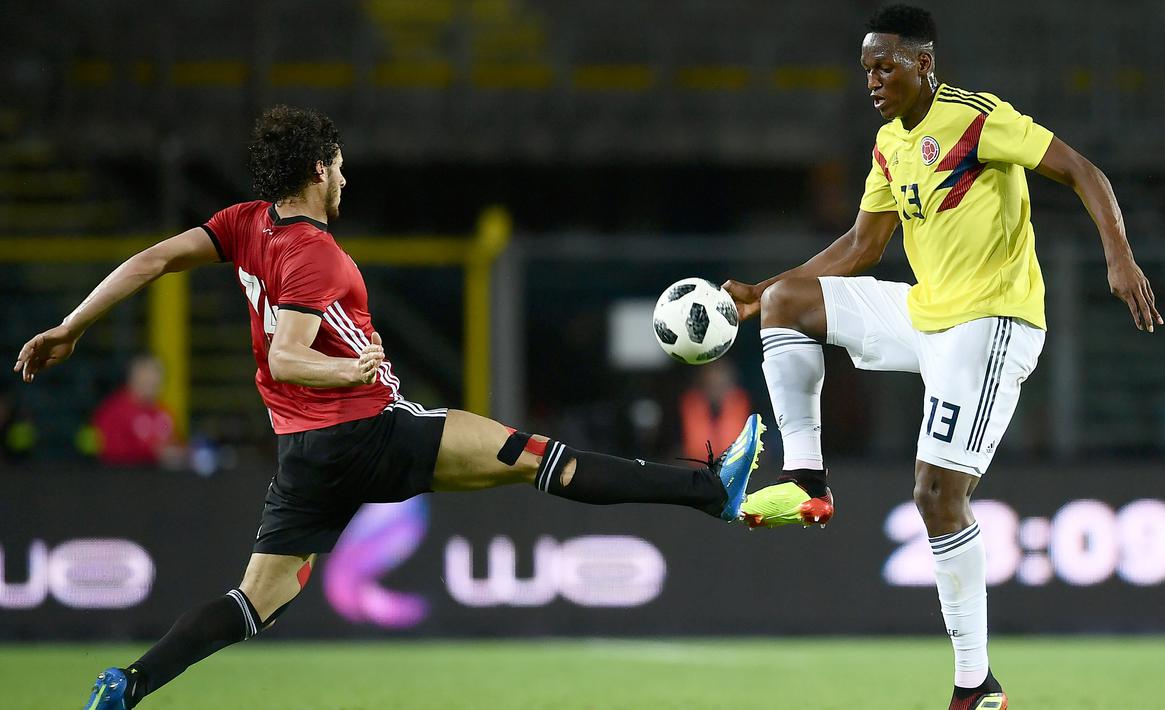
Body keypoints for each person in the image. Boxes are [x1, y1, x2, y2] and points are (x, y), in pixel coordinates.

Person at [12, 105, 766, 710]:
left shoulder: (246, 224)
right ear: (317, 168)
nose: (346, 177)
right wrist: (352, 372)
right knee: (534, 457)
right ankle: (707, 490)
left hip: (304, 459)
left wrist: (71, 326)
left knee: (257, 599)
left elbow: (150, 260)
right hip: (369, 430)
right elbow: (286, 355)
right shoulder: (316, 253)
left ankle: (130, 684)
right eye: (339, 165)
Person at [723, 6, 1161, 709]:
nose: (872, 80)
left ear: (923, 63)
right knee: (788, 307)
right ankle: (806, 480)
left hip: (990, 323)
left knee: (935, 495)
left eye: (885, 66)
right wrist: (760, 292)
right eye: (866, 68)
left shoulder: (976, 117)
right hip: (927, 313)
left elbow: (1081, 169)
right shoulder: (888, 144)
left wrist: (1119, 258)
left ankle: (974, 685)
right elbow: (858, 250)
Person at [91, 354, 181, 467]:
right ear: (132, 378)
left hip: (159, 480)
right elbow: (109, 450)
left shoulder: (164, 413)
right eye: (146, 377)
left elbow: (176, 444)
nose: (151, 382)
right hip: (122, 479)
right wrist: (151, 452)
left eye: (155, 378)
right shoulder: (114, 411)